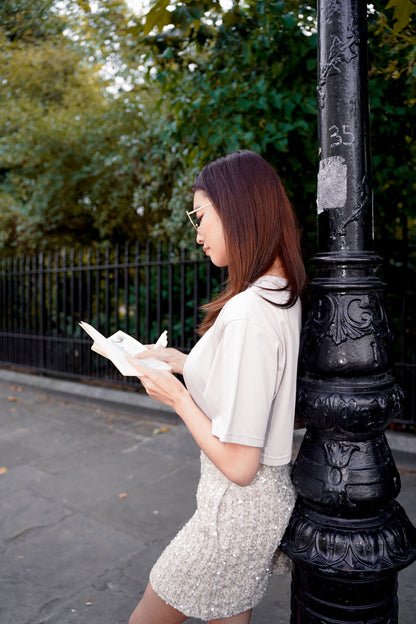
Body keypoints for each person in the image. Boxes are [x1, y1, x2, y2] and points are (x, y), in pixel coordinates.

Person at [126, 150, 306, 624]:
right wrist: (183, 362)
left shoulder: (249, 311)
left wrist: (177, 397)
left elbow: (241, 465)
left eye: (201, 217)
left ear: (239, 210)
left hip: (234, 511)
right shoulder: (279, 291)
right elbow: (253, 381)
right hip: (256, 507)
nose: (199, 233)